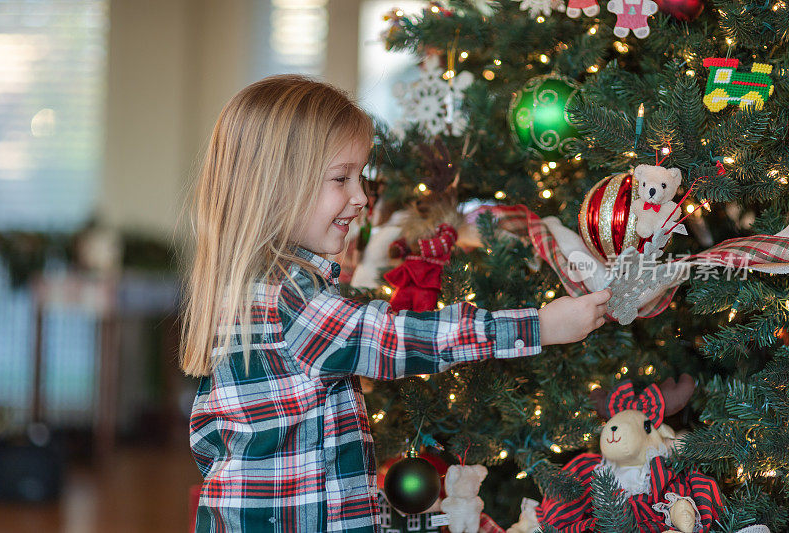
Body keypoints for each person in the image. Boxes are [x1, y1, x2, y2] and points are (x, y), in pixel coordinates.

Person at [181, 75, 611, 532]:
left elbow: (211, 439)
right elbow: (397, 339)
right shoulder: (289, 298)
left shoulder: (248, 290)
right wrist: (539, 326)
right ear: (276, 185)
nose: (361, 197)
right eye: (340, 178)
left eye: (360, 176)